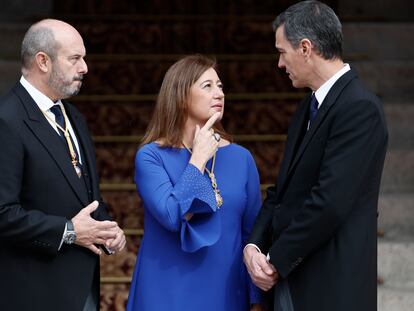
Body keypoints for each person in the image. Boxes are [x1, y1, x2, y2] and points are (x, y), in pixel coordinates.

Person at [243, 1, 388, 311]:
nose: (280, 63)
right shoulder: (307, 108)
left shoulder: (359, 108)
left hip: (332, 286)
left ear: (306, 48)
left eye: (282, 52)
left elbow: (330, 202)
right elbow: (281, 192)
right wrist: (254, 245)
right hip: (294, 282)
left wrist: (274, 261)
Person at [0, 19, 126, 311]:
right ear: (43, 61)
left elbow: (86, 195)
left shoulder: (74, 117)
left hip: (83, 289)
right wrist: (68, 230)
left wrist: (106, 228)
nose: (85, 68)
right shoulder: (6, 121)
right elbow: (3, 212)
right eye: (75, 59)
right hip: (34, 293)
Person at [126, 55, 263, 311]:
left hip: (226, 292)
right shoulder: (151, 156)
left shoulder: (241, 158)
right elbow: (170, 215)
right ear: (180, 95)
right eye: (207, 86)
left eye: (220, 86)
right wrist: (198, 159)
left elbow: (252, 235)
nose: (219, 93)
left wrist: (256, 299)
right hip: (165, 293)